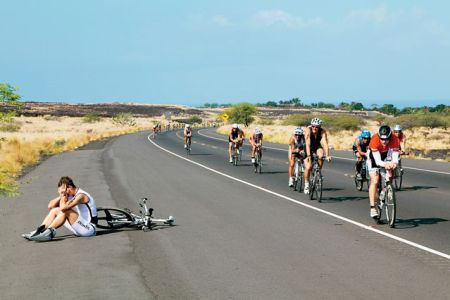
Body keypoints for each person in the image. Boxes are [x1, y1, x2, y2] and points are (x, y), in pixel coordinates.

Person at [23, 176, 98, 242]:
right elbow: (50, 206)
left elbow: (63, 208)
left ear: (69, 187)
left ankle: (48, 232)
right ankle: (39, 231)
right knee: (55, 210)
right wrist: (61, 196)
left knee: (65, 210)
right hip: (79, 228)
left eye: (63, 191)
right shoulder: (69, 194)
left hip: (88, 229)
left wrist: (62, 197)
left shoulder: (81, 196)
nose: (63, 193)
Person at [367, 125, 400, 218]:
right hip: (374, 156)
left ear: (390, 136)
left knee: (391, 169)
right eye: (382, 139)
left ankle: (388, 187)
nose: (384, 141)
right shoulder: (374, 140)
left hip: (386, 153)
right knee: (375, 180)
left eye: (386, 139)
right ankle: (372, 207)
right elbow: (377, 161)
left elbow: (395, 157)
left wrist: (393, 164)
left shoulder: (395, 140)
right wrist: (385, 164)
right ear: (379, 136)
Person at [303, 118, 331, 194]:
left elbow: (325, 143)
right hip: (308, 147)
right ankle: (306, 184)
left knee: (321, 156)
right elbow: (308, 144)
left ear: (320, 127)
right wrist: (309, 156)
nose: (314, 128)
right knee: (308, 167)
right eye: (313, 126)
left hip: (317, 146)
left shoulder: (322, 131)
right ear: (311, 126)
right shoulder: (308, 130)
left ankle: (318, 172)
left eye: (317, 127)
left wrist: (328, 155)